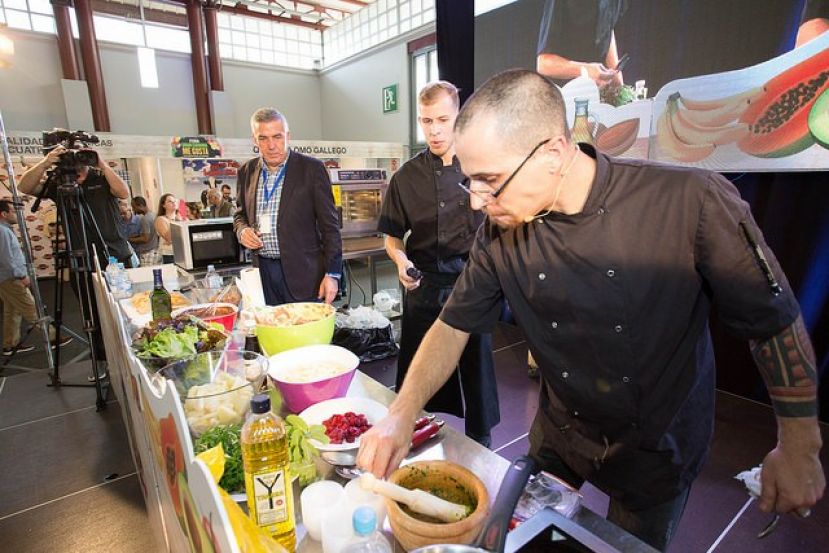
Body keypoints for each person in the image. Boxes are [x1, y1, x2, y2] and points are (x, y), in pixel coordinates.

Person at [357, 70, 824, 551]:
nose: (477, 202)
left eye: (491, 181)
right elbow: (453, 325)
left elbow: (773, 324)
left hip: (654, 448)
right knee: (519, 539)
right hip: (560, 432)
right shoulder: (499, 233)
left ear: (554, 153)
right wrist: (401, 413)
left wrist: (800, 445)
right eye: (470, 182)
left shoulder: (690, 202)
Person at [377, 81, 499, 447]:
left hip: (472, 285)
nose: (434, 129)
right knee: (418, 380)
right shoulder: (406, 178)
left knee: (475, 380)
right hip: (423, 287)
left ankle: (482, 447)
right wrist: (400, 260)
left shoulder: (481, 167)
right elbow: (392, 236)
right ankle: (412, 442)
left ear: (457, 117)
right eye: (426, 120)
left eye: (442, 119)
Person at [233, 107, 342, 305]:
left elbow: (330, 227)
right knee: (270, 333)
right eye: (263, 138)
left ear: (288, 136)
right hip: (262, 274)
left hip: (304, 274)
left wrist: (333, 274)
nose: (271, 145)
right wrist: (242, 231)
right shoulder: (246, 172)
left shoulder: (312, 169)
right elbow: (240, 215)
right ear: (254, 140)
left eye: (277, 136)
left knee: (307, 335)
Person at [18, 145, 134, 269]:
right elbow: (24, 187)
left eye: (79, 153)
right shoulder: (59, 183)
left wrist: (103, 165)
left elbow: (124, 193)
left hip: (114, 251)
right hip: (80, 254)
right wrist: (44, 163)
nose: (75, 158)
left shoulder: (102, 178)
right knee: (85, 287)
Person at [0, 199, 72, 355]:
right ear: (4, 214)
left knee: (12, 311)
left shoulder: (5, 229)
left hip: (6, 278)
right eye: (12, 211)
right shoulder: (2, 231)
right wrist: (21, 275)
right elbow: (6, 258)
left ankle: (9, 345)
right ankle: (53, 338)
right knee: (32, 308)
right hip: (10, 278)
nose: (16, 214)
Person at [536, 0, 626, 88]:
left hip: (593, 93)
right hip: (560, 95)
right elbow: (544, 64)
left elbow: (606, 28)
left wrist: (618, 82)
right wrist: (585, 70)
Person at [129, 196, 159, 266]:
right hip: (154, 251)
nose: (133, 210)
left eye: (134, 207)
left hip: (147, 253)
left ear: (141, 206)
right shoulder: (153, 215)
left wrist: (130, 239)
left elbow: (145, 238)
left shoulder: (145, 219)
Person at [154, 193, 180, 264]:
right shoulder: (161, 219)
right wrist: (176, 221)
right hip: (170, 255)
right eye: (170, 201)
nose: (173, 203)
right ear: (163, 205)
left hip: (183, 252)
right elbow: (169, 238)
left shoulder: (182, 218)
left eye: (174, 201)